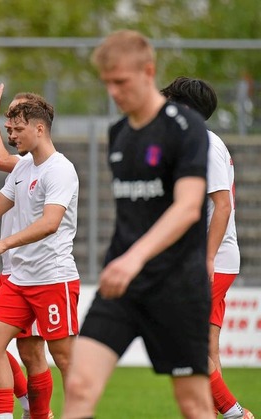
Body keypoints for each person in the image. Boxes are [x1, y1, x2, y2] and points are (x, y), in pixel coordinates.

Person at [62, 30, 213, 418]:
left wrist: (136, 257)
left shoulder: (185, 127)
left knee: (194, 404)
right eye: (107, 83)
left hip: (176, 286)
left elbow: (188, 207)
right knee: (78, 387)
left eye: (121, 82)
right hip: (123, 286)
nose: (113, 91)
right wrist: (125, 262)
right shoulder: (119, 134)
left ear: (148, 71)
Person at [0, 96, 80, 419]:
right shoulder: (23, 167)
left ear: (39, 128)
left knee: (64, 358)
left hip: (53, 278)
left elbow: (50, 224)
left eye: (18, 129)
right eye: (10, 129)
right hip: (20, 279)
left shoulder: (60, 169)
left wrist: (2, 244)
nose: (13, 135)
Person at [161, 77, 254, 419]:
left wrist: (207, 258)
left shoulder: (205, 143)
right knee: (207, 349)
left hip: (209, 261)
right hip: (204, 259)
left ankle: (235, 414)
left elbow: (223, 205)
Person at [0, 91, 58, 419]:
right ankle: (26, 408)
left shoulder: (39, 163)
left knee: (33, 352)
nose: (9, 127)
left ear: (36, 126)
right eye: (7, 118)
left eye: (14, 119)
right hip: (13, 268)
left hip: (37, 270)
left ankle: (40, 413)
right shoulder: (24, 166)